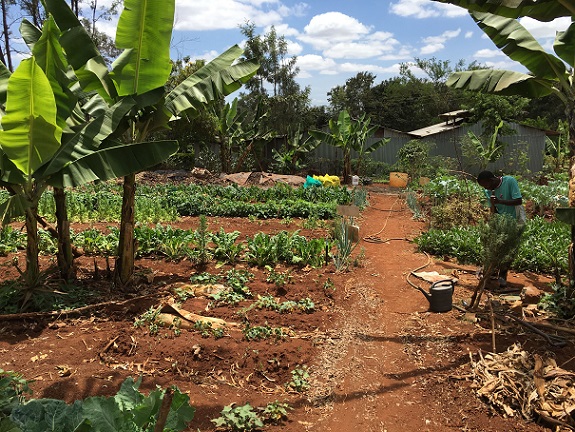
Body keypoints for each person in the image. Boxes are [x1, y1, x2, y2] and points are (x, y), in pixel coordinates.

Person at [476, 170, 524, 287]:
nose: (486, 188)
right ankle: (491, 272)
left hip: (515, 219)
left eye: (486, 185)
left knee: (508, 249)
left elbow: (518, 200)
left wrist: (500, 201)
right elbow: (494, 208)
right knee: (495, 246)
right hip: (501, 220)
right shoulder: (489, 190)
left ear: (492, 180)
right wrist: (494, 222)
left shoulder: (509, 181)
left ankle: (502, 275)